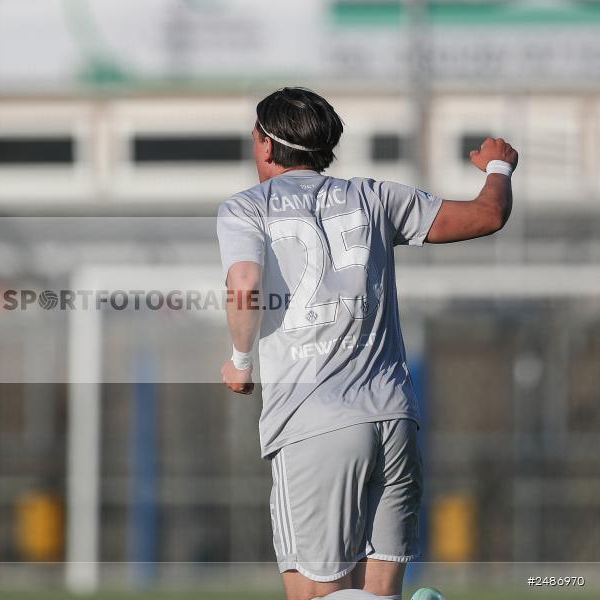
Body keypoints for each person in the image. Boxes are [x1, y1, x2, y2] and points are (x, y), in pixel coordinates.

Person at [216, 87, 517, 600]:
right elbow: (486, 216)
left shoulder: (247, 208)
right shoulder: (377, 197)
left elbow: (243, 286)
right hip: (393, 419)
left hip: (313, 425)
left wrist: (241, 361)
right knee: (377, 594)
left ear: (264, 145)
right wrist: (499, 169)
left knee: (316, 595)